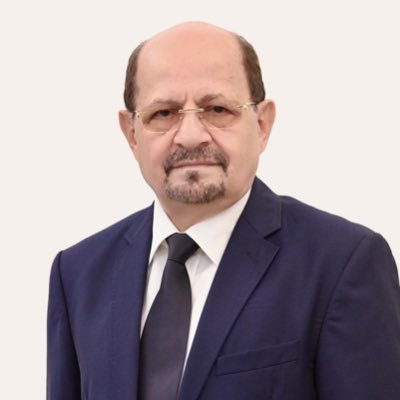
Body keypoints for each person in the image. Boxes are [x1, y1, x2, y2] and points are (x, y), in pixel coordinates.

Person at [47, 21, 400, 400]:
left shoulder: (342, 264)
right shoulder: (79, 273)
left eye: (217, 109)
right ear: (132, 133)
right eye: (163, 113)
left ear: (262, 124)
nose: (190, 135)